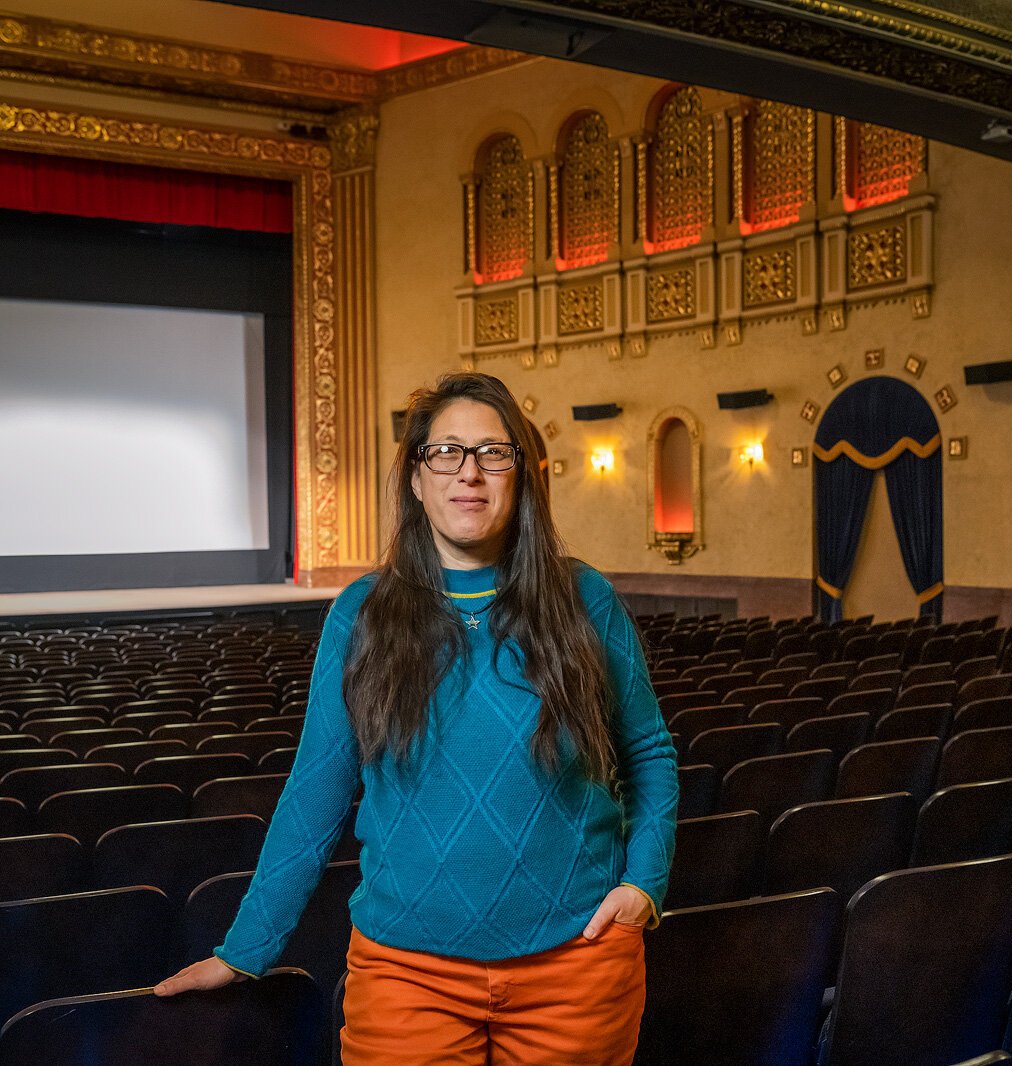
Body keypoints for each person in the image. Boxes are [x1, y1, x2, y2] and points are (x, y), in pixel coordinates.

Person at [155, 371, 678, 1065]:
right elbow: (315, 794)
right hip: (407, 974)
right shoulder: (362, 615)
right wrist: (246, 949)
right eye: (447, 452)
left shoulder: (585, 599)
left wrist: (644, 882)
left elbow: (649, 753)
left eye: (494, 453)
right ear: (415, 477)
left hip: (577, 965)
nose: (470, 472)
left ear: (522, 474)